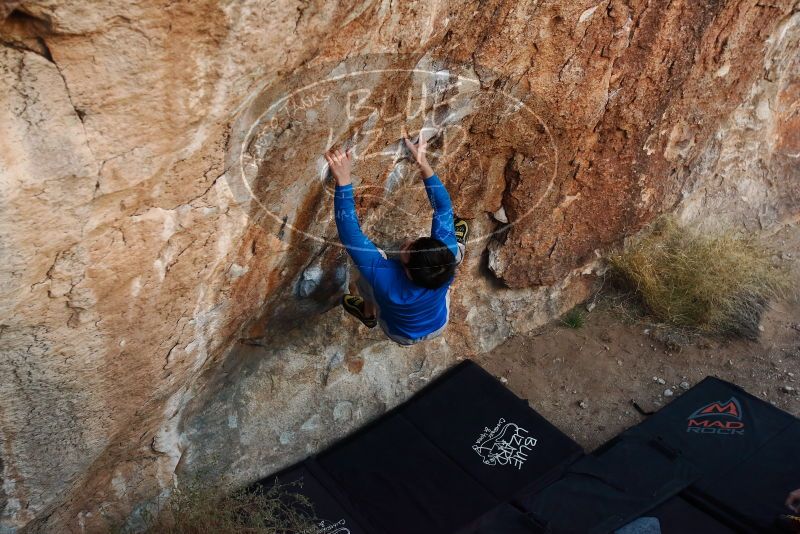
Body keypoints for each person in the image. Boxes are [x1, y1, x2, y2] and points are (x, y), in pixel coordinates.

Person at [324, 131, 467, 345]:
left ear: (407, 273)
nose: (407, 243)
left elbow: (351, 236)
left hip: (400, 332)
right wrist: (422, 162)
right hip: (438, 323)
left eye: (408, 252)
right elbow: (443, 207)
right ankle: (458, 244)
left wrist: (344, 181)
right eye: (415, 243)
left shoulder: (387, 281)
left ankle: (369, 312)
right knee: (453, 253)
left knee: (366, 276)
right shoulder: (445, 260)